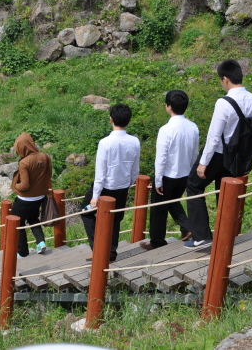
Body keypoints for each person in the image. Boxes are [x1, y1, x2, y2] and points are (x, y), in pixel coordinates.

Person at [185, 60, 252, 249]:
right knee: (225, 194)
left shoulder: (224, 102)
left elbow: (214, 136)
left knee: (194, 186)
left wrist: (203, 162)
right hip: (237, 158)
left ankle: (201, 235)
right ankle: (226, 234)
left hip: (217, 155)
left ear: (225, 79)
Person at [81, 104, 140, 262]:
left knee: (86, 213)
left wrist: (95, 196)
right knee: (115, 219)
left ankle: (98, 250)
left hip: (105, 187)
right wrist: (129, 183)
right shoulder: (134, 141)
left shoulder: (105, 142)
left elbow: (100, 173)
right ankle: (111, 253)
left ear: (111, 119)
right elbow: (135, 169)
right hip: (122, 187)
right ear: (128, 121)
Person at [141, 90, 199, 251]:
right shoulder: (193, 127)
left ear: (169, 106)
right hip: (185, 173)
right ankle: (187, 228)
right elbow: (195, 153)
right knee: (173, 202)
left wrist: (158, 180)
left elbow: (161, 158)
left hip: (167, 175)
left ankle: (157, 242)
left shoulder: (166, 130)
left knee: (159, 209)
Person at [10, 132, 52, 258]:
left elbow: (24, 185)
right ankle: (41, 242)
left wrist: (13, 186)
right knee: (33, 219)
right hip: (40, 197)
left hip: (24, 199)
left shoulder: (24, 163)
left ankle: (22, 252)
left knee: (18, 224)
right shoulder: (45, 157)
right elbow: (48, 176)